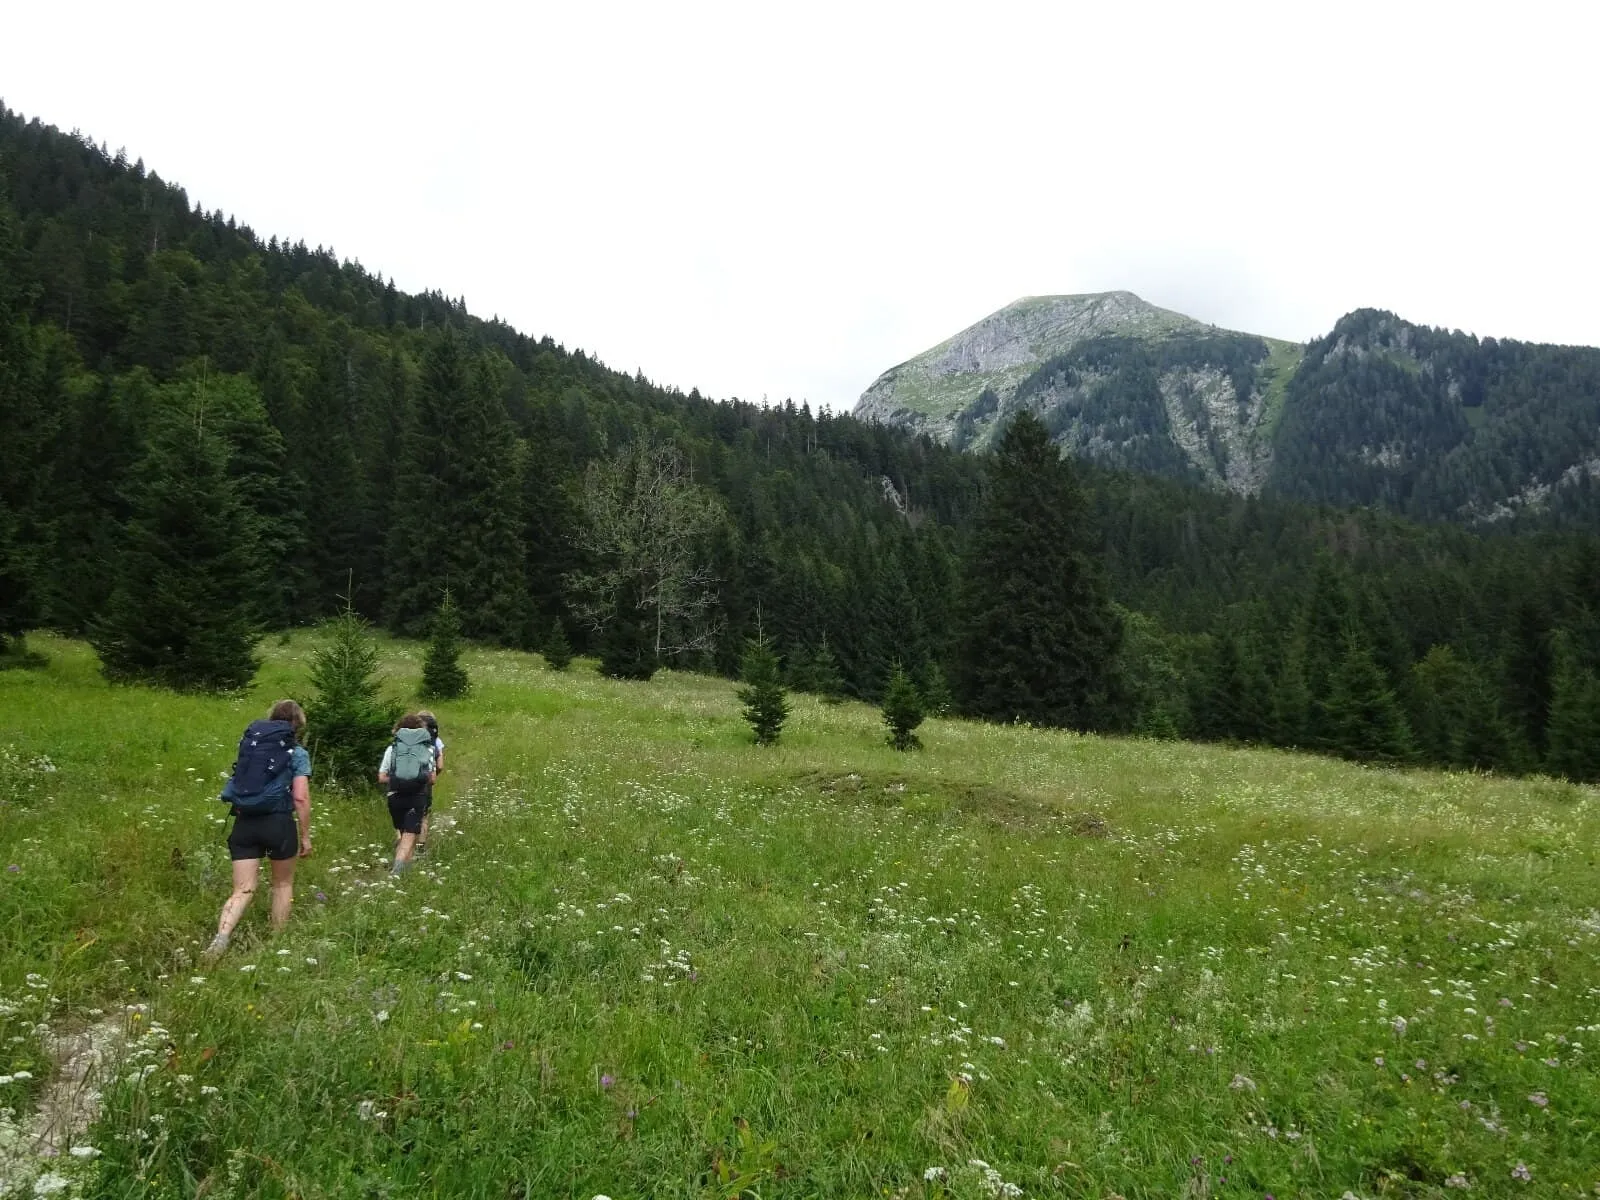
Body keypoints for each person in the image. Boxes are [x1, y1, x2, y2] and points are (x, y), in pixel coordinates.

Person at [204, 699, 313, 961]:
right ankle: (276, 943)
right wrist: (306, 835)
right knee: (282, 884)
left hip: (245, 821)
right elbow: (300, 797)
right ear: (298, 725)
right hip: (278, 823)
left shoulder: (251, 748)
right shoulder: (297, 754)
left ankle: (221, 939)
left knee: (242, 889)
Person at [379, 713, 436, 875]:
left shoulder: (393, 749)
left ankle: (406, 873)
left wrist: (398, 778)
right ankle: (396, 872)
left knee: (404, 834)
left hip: (394, 797)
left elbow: (382, 777)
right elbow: (432, 779)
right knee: (409, 837)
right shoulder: (428, 749)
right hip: (416, 797)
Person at [414, 709, 445, 856]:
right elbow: (440, 766)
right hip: (425, 781)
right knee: (424, 815)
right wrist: (433, 776)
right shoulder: (436, 741)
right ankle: (420, 847)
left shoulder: (405, 739)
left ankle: (402, 843)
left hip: (402, 781)